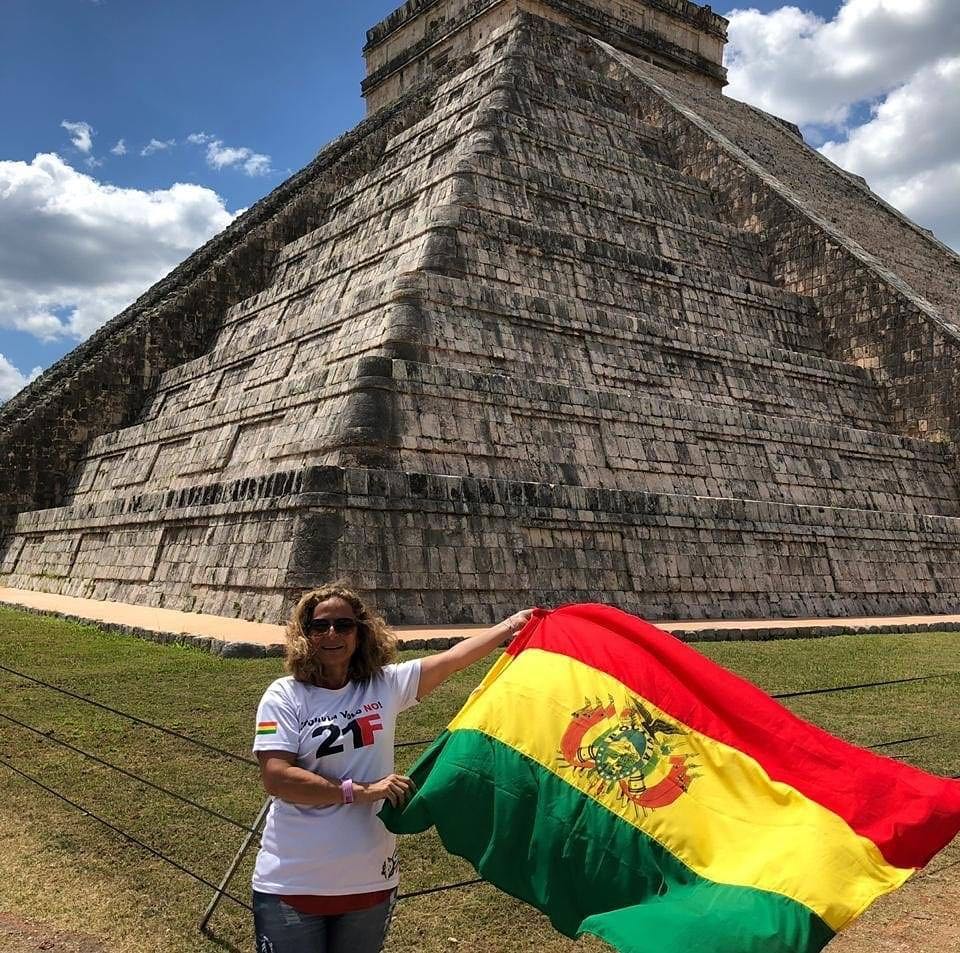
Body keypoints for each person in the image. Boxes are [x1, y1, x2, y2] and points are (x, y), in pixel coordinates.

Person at [251, 582, 533, 953]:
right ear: (305, 635)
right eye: (320, 627)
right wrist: (362, 791)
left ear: (361, 631)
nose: (332, 634)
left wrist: (511, 625)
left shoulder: (383, 685)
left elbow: (453, 660)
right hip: (293, 879)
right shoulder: (284, 695)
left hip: (369, 877)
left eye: (344, 625)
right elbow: (278, 777)